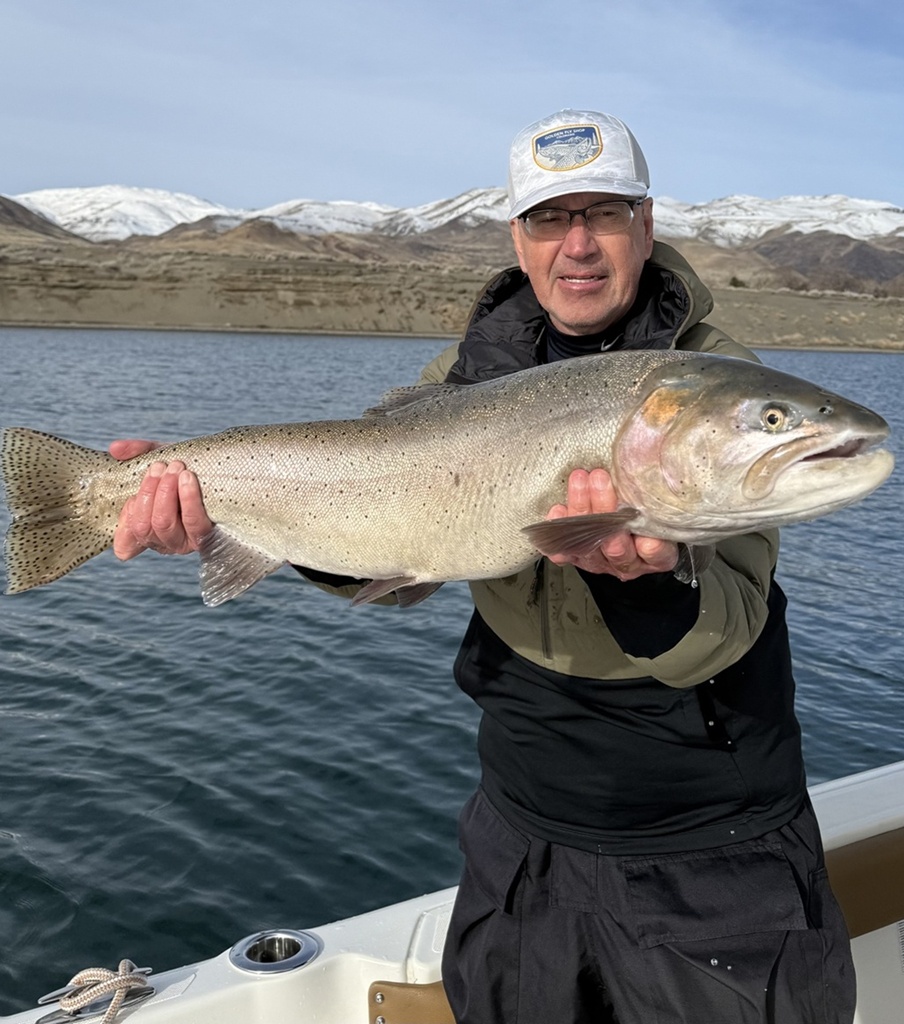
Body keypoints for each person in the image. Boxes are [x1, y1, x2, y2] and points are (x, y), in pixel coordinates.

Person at [110, 109, 856, 1024]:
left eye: (605, 215)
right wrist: (241, 515)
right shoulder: (465, 375)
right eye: (550, 219)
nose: (577, 245)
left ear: (646, 226)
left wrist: (651, 582)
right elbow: (394, 552)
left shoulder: (716, 386)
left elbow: (730, 623)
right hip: (519, 839)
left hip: (707, 849)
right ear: (519, 237)